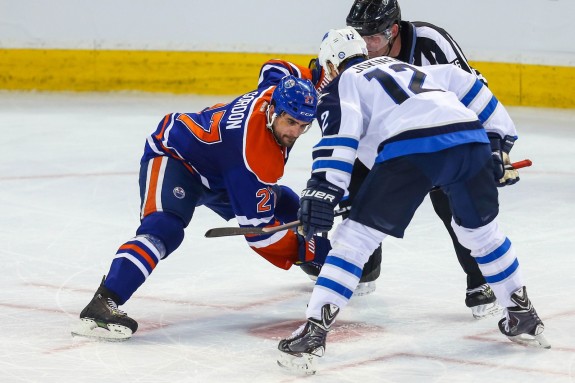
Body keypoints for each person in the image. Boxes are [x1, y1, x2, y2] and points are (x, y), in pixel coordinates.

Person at [277, 27, 549, 374]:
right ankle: (522, 312)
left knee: (355, 240)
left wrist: (322, 190)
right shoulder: (412, 68)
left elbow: (340, 142)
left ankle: (312, 333)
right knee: (482, 234)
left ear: (330, 65)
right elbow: (466, 83)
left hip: (411, 149)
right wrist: (497, 142)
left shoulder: (339, 86)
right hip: (470, 137)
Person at [72, 60, 335, 341]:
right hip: (175, 157)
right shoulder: (255, 157)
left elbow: (275, 68)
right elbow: (260, 236)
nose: (294, 132)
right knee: (164, 229)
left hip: (219, 169)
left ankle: (317, 254)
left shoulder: (272, 91)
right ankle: (103, 302)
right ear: (273, 111)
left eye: (303, 125)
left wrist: (316, 75)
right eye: (290, 122)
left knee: (285, 203)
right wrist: (299, 250)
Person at [341, 0, 501, 318]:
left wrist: (490, 144)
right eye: (359, 35)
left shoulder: (430, 41)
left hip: (438, 134)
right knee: (358, 191)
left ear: (394, 30)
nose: (365, 45)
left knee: (452, 203)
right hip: (385, 140)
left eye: (372, 36)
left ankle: (481, 280)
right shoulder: (352, 50)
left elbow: (470, 88)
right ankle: (366, 267)